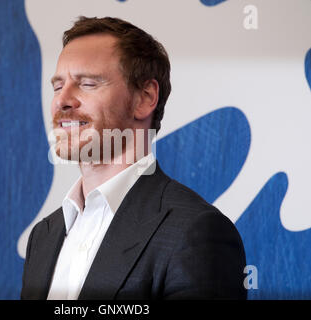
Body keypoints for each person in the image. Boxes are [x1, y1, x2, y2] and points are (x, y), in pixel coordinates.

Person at [21, 16, 247, 300]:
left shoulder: (195, 233)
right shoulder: (43, 237)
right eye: (57, 86)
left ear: (145, 98)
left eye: (87, 83)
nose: (62, 100)